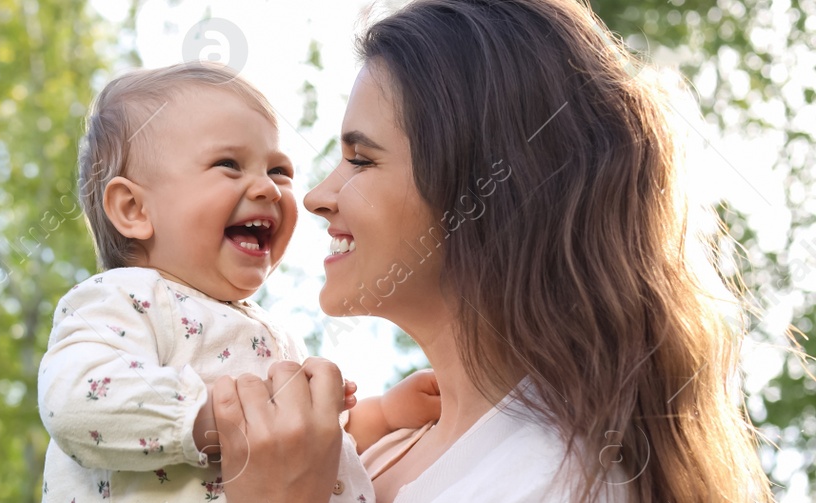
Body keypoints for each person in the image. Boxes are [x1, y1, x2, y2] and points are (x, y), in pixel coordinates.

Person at [212, 0, 773, 501]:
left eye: (361, 160)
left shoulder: (565, 480)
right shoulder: (376, 451)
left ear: (487, 186)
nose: (315, 197)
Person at [36, 61, 441, 502]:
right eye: (229, 164)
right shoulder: (125, 299)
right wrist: (211, 417)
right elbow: (75, 402)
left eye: (279, 171)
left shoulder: (275, 334)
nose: (267, 188)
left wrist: (383, 414)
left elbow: (311, 437)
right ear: (134, 209)